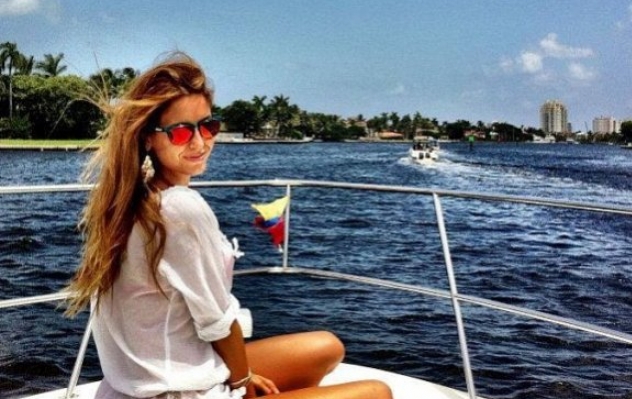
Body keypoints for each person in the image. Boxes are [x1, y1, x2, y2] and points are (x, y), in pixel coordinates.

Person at [65, 52, 393, 399]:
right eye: (180, 132)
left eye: (207, 126)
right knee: (377, 393)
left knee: (327, 347)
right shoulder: (179, 208)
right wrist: (241, 381)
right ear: (148, 138)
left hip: (145, 380)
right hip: (175, 392)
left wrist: (240, 373)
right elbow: (217, 322)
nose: (200, 142)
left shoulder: (133, 199)